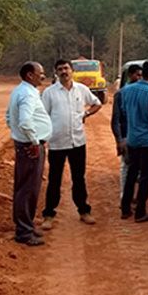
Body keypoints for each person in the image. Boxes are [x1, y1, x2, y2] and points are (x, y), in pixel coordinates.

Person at [40, 59, 102, 228]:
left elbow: (97, 104)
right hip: (57, 143)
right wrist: (43, 137)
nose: (64, 72)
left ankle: (84, 211)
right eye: (60, 69)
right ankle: (48, 215)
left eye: (66, 68)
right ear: (56, 72)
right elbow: (43, 116)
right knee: (54, 179)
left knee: (79, 178)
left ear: (72, 70)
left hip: (78, 142)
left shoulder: (82, 90)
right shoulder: (49, 93)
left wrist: (87, 114)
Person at [6, 61, 52, 246]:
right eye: (40, 73)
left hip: (25, 144)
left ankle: (26, 226)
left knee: (24, 187)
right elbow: (24, 121)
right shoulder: (27, 94)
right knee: (28, 189)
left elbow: (9, 117)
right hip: (30, 147)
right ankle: (24, 232)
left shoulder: (21, 91)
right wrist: (33, 141)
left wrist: (17, 134)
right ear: (29, 75)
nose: (43, 75)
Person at [120, 60, 148, 223]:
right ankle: (140, 211)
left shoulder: (127, 90)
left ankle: (125, 208)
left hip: (132, 139)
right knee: (146, 177)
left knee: (132, 174)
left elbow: (125, 111)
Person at [112, 64, 143, 200]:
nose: (139, 78)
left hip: (141, 137)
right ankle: (124, 197)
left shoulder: (144, 93)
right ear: (130, 75)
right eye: (137, 74)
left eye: (141, 75)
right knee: (126, 167)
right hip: (127, 137)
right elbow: (115, 120)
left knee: (140, 170)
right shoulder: (121, 94)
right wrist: (119, 140)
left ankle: (134, 196)